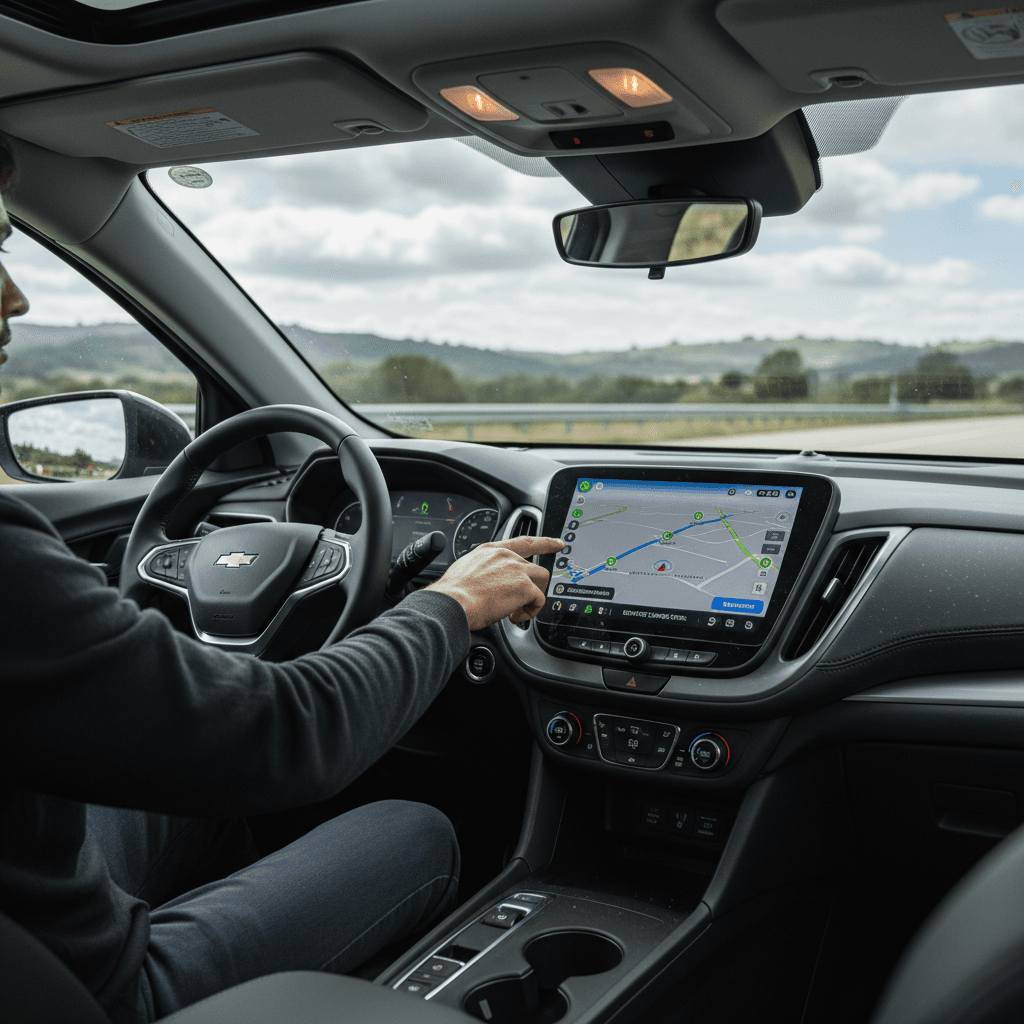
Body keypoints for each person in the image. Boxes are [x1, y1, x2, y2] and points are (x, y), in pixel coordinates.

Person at [0, 134, 563, 1024]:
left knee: (200, 797)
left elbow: (203, 735)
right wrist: (451, 604)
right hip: (92, 992)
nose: (16, 297)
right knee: (417, 828)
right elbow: (284, 732)